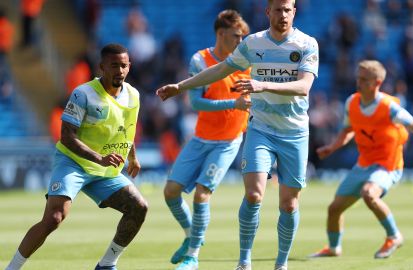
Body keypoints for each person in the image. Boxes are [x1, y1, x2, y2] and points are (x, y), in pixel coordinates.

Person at [156, 1, 319, 269]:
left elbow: (304, 87)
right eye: (277, 9)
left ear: (294, 12)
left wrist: (260, 84)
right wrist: (181, 87)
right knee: (254, 195)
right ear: (268, 12)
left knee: (289, 205)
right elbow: (221, 68)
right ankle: (244, 262)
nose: (283, 14)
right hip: (260, 129)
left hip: (295, 132)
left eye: (287, 9)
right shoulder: (253, 44)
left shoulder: (307, 44)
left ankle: (281, 263)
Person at [5, 43, 148, 270]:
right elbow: (66, 136)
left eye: (123, 66)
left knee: (139, 207)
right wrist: (98, 158)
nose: (119, 71)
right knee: (54, 218)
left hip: (104, 171)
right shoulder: (83, 94)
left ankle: (107, 264)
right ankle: (12, 268)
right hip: (73, 163)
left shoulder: (133, 95)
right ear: (102, 67)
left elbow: (127, 129)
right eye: (114, 65)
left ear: (129, 67)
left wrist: (132, 157)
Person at [309, 60, 413, 259]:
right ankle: (333, 248)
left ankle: (394, 236)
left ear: (378, 83)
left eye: (364, 79)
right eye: (358, 78)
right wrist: (332, 147)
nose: (359, 82)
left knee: (369, 194)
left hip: (388, 165)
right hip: (364, 163)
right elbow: (348, 131)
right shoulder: (352, 102)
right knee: (334, 208)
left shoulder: (388, 107)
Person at [164, 9, 251, 270]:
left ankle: (193, 256)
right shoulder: (200, 60)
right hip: (201, 138)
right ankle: (193, 235)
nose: (240, 41)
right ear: (220, 33)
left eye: (243, 36)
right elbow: (196, 102)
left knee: (202, 195)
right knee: (170, 192)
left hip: (228, 141)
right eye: (236, 36)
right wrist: (233, 104)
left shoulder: (247, 61)